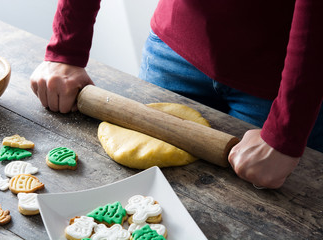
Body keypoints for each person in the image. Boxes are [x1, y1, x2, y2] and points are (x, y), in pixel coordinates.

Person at [30, 0, 323, 189]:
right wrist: (66, 49)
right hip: (172, 50)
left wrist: (285, 134)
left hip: (286, 81)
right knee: (139, 187)